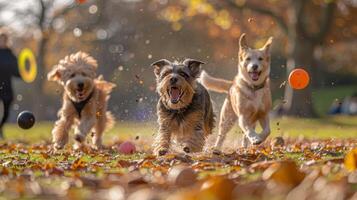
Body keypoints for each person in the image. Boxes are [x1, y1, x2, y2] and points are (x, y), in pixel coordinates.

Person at [0, 28, 20, 139]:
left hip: (7, 86)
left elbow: (16, 72)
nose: (2, 41)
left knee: (6, 111)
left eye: (4, 39)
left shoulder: (10, 54)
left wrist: (24, 75)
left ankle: (0, 128)